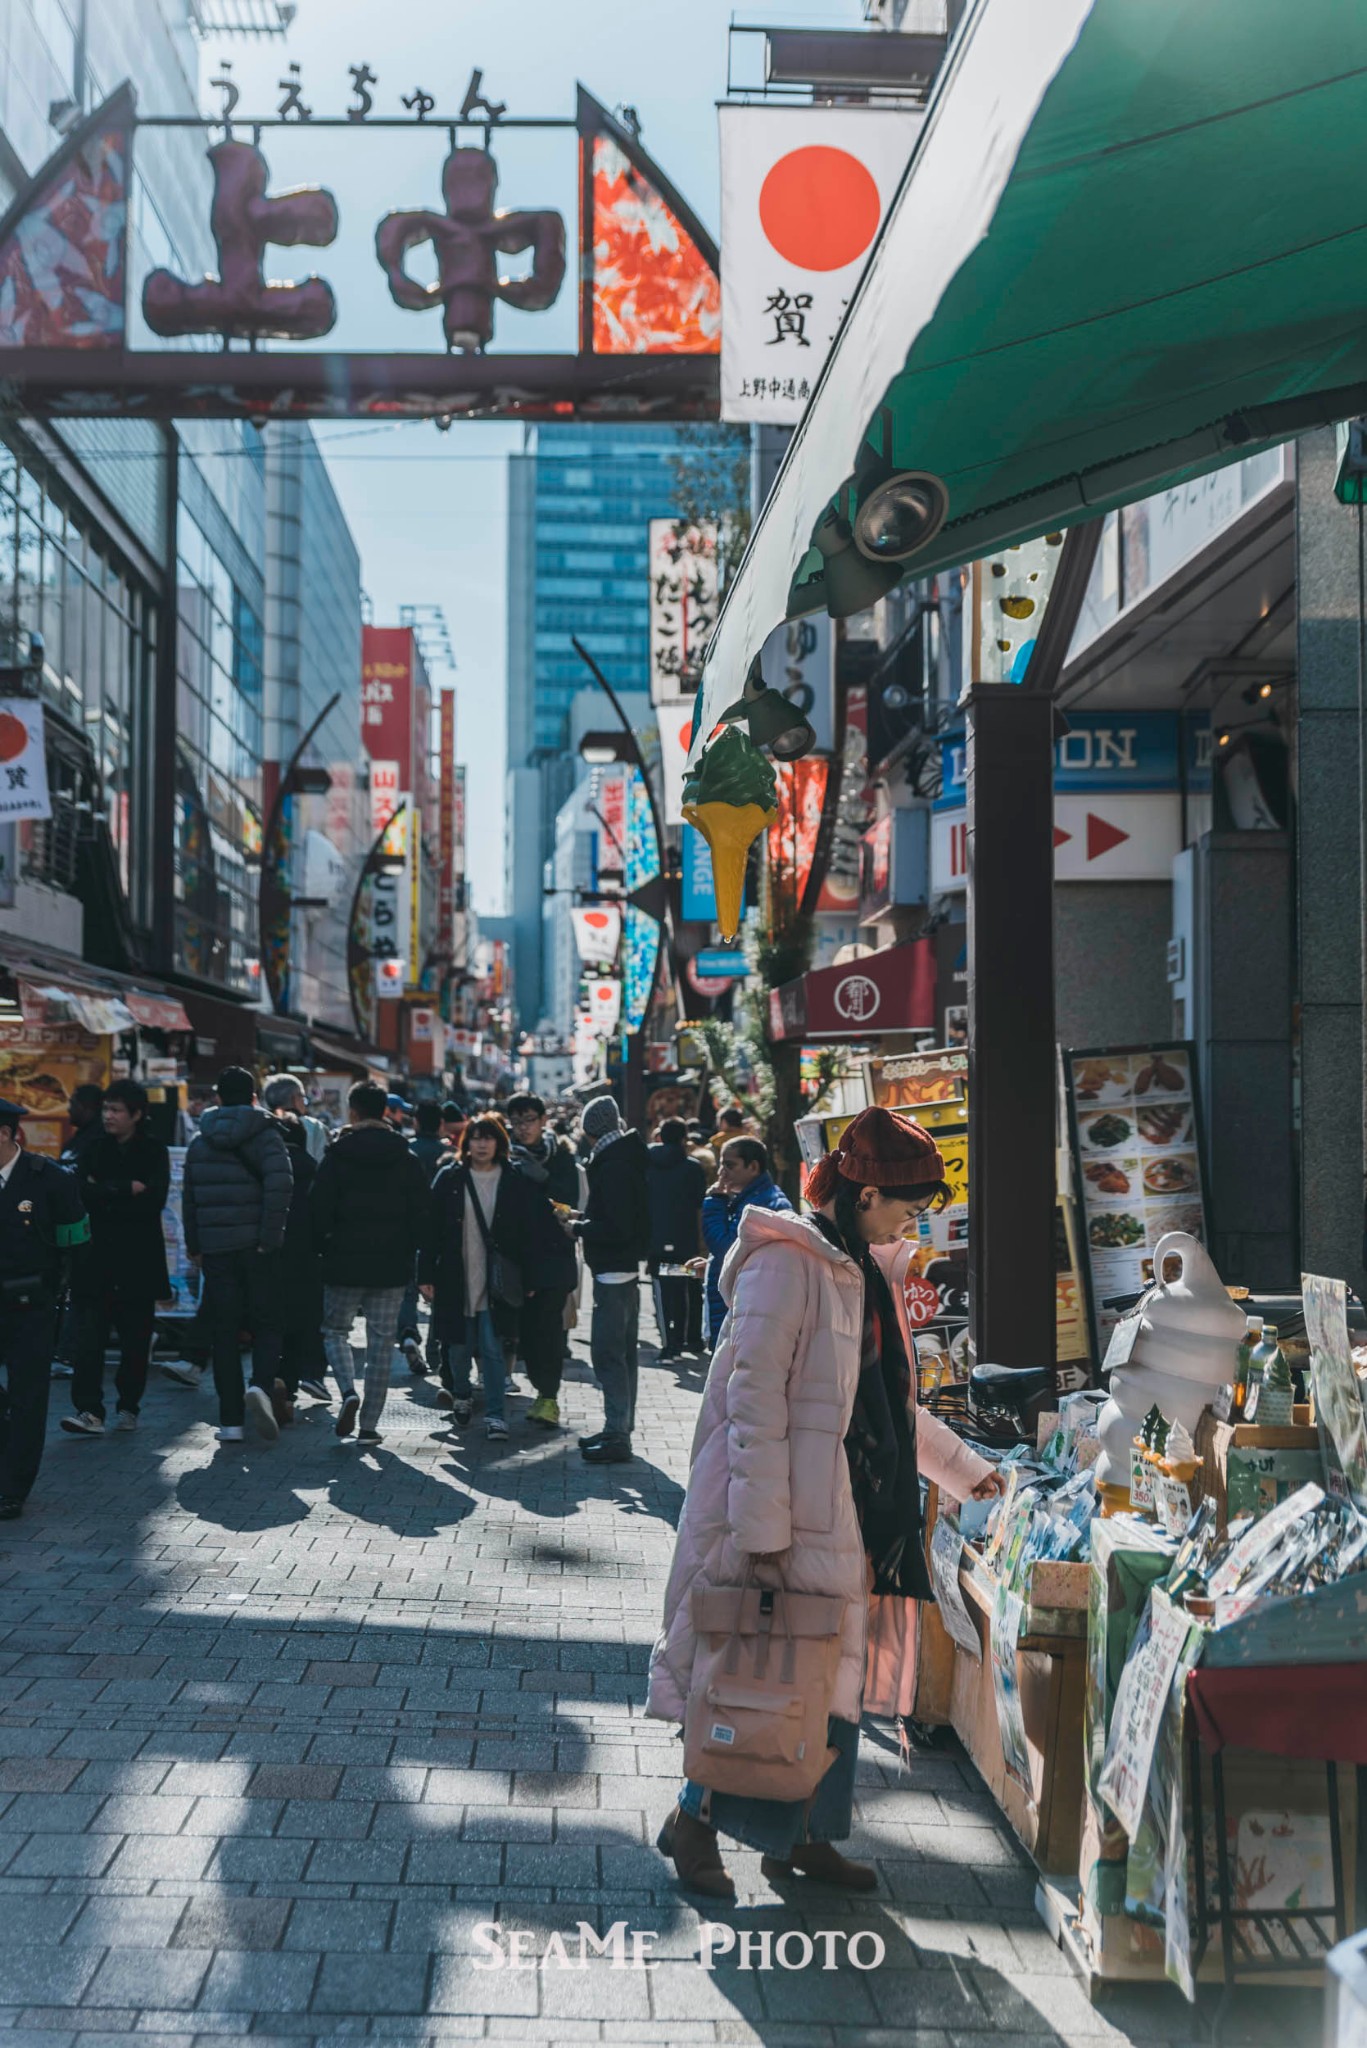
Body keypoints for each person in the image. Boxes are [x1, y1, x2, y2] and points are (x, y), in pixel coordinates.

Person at [647, 1106, 1007, 1899]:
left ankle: (803, 1840)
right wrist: (761, 1529)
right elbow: (754, 1403)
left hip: (842, 1504)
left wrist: (962, 1469)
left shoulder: (857, 1266)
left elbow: (878, 1404)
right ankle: (693, 1820)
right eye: (906, 1212)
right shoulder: (789, 1263)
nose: (908, 1228)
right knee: (758, 1672)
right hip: (781, 1507)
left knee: (824, 1681)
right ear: (864, 1191)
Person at [420, 1114, 572, 1440]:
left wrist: (530, 1278)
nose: (481, 1144)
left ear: (499, 1143)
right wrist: (425, 1274)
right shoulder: (449, 1178)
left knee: (492, 1346)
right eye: (475, 1137)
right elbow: (429, 1228)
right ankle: (461, 1394)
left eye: (488, 1138)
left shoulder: (513, 1179)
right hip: (456, 1277)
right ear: (466, 1143)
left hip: (496, 1280)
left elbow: (527, 1233)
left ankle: (495, 1415)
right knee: (458, 1347)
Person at [311, 1080, 431, 1445]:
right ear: (384, 1112)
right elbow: (422, 1214)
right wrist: (414, 1253)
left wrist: (322, 1246)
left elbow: (318, 1210)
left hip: (343, 1261)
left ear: (353, 1111)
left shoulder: (338, 1154)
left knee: (335, 1331)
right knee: (381, 1342)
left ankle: (347, 1389)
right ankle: (369, 1426)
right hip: (391, 1265)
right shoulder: (404, 1156)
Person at [181, 1066, 294, 1446]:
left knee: (224, 1332)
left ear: (216, 1097)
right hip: (257, 1248)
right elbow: (282, 1186)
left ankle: (230, 1422)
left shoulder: (200, 1141)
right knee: (268, 1322)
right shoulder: (266, 1136)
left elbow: (189, 1197)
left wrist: (195, 1244)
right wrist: (269, 1238)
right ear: (253, 1098)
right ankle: (260, 1386)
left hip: (216, 1249)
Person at [62, 1080, 170, 1437]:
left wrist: (104, 1190)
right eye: (106, 1109)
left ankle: (129, 1407)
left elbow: (154, 1199)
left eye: (116, 1110)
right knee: (88, 1341)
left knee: (134, 1341)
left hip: (138, 1261)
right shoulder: (93, 1148)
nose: (108, 1116)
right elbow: (81, 1193)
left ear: (136, 1115)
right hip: (95, 1260)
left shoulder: (154, 1151)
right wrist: (124, 1189)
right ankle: (89, 1410)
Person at [0, 1099, 89, 1517]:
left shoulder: (49, 1179)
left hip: (30, 1307)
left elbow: (77, 1244)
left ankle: (13, 1487)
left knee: (28, 1397)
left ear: (5, 1133)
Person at [573, 1096, 649, 1466]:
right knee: (624, 1354)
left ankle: (617, 1434)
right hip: (624, 1270)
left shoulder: (612, 1163)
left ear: (590, 1130)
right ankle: (618, 1428)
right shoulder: (623, 1156)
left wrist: (577, 1227)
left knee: (608, 1355)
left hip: (614, 1272)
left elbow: (616, 1226)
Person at [504, 1091, 580, 1428]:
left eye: (529, 1120)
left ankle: (548, 1397)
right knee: (524, 1333)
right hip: (515, 1260)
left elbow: (569, 1202)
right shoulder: (503, 1156)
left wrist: (544, 1180)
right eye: (516, 1121)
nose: (522, 1128)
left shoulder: (561, 1156)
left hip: (551, 1260)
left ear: (543, 1121)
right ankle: (534, 1390)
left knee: (547, 1331)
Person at [701, 1137, 792, 1346]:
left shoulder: (762, 1203)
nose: (721, 1174)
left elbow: (727, 1248)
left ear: (753, 1167)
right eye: (721, 1165)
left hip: (746, 1312)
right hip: (739, 1308)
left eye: (729, 1166)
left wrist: (715, 1203)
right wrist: (709, 1266)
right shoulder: (752, 1199)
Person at [272, 1112, 326, 1415]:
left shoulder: (270, 1170)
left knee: (272, 1323)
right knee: (300, 1324)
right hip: (308, 1258)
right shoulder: (316, 1170)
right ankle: (290, 1390)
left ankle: (273, 1381)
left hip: (273, 1254)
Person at [52, 1083, 106, 1379]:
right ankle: (64, 1350)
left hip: (90, 1230)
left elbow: (88, 1185)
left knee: (81, 1293)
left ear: (87, 1107)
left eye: (73, 1103)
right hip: (68, 1227)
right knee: (69, 1291)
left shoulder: (96, 1140)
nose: (68, 1109)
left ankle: (68, 1353)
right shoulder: (78, 1139)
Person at [396, 1101, 451, 1374]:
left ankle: (407, 1333)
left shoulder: (406, 1150)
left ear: (416, 1122)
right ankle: (436, 1348)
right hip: (440, 1231)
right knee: (439, 1291)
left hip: (407, 1228)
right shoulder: (449, 1153)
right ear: (440, 1124)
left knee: (408, 1287)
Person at [646, 1118, 707, 1361]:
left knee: (661, 1293)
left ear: (660, 1136)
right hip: (685, 1241)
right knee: (682, 1287)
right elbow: (698, 1204)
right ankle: (681, 1341)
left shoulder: (647, 1165)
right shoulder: (692, 1167)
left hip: (655, 1239)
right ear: (684, 1138)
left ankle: (668, 1343)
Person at [261, 1074, 328, 1161]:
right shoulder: (314, 1126)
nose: (304, 1103)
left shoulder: (259, 1124)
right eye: (303, 1097)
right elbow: (321, 1161)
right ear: (295, 1098)